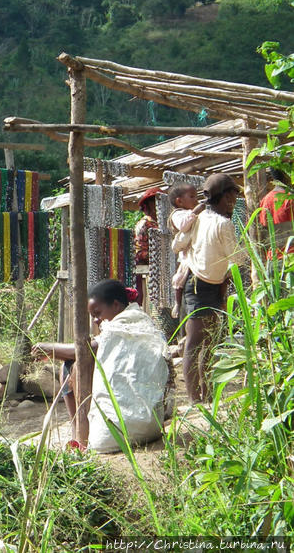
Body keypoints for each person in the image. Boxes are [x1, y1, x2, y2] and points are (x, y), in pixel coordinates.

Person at [32, 279, 169, 451]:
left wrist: (47, 348)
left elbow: (83, 351)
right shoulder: (141, 323)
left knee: (69, 367)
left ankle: (80, 436)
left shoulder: (120, 329)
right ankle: (79, 433)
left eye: (98, 313)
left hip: (118, 430)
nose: (96, 320)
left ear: (116, 305)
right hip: (151, 427)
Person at [183, 173, 243, 403]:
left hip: (201, 284)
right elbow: (238, 258)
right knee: (197, 341)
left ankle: (202, 396)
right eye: (233, 195)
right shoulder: (223, 223)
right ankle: (195, 398)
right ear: (226, 197)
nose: (235, 200)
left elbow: (179, 243)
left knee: (206, 341)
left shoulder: (199, 219)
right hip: (203, 286)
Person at [167, 183, 206, 321]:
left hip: (197, 252)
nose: (196, 200)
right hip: (186, 256)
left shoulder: (194, 213)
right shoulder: (177, 215)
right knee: (180, 279)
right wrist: (196, 211)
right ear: (179, 201)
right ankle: (177, 304)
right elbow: (184, 226)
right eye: (192, 197)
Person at [258, 167, 294, 256]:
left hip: (272, 256)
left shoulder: (265, 200)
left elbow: (263, 227)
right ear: (286, 175)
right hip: (290, 257)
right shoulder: (290, 199)